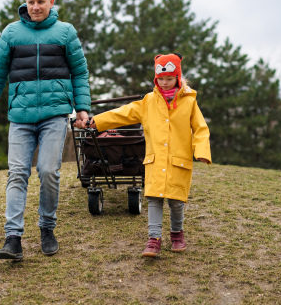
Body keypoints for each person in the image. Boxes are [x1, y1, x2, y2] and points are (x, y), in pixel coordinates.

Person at [0, 0, 91, 261]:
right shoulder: (12, 33)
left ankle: (47, 229)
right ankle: (13, 238)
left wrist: (82, 109)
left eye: (41, 1)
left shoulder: (65, 33)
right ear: (25, 3)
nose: (36, 7)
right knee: (17, 173)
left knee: (48, 171)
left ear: (51, 2)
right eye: (31, 2)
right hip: (20, 117)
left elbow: (80, 73)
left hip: (54, 115)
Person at [85, 53, 211, 257]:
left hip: (179, 162)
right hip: (155, 161)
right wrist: (96, 121)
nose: (165, 83)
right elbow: (123, 113)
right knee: (154, 198)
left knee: (176, 201)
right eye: (161, 79)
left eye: (169, 79)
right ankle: (154, 239)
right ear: (156, 79)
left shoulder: (189, 103)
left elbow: (201, 128)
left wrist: (202, 151)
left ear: (178, 78)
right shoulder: (148, 102)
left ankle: (177, 234)